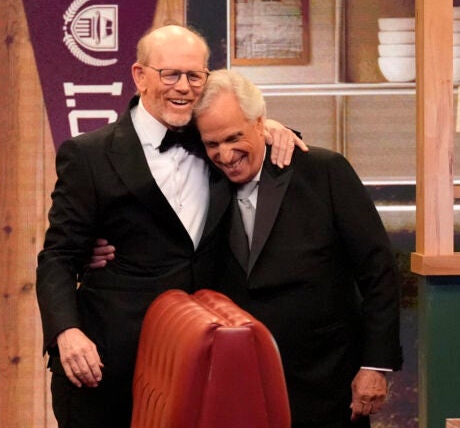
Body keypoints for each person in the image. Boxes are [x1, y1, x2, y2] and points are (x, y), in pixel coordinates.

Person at [93, 69, 402, 426]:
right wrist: (91, 252)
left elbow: (378, 271)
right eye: (212, 144)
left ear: (261, 124)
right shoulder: (201, 182)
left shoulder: (323, 171)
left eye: (234, 137)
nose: (225, 155)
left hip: (328, 386)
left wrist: (374, 365)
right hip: (237, 392)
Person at [35, 25, 304, 428]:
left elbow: (248, 136)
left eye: (195, 76)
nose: (184, 87)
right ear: (139, 76)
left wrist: (275, 128)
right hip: (109, 366)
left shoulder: (216, 143)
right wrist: (66, 333)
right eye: (171, 74)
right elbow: (58, 255)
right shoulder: (88, 155)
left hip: (205, 364)